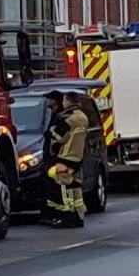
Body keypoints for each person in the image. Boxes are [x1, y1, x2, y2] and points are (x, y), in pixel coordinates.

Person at [43, 93, 89, 228]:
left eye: (64, 101)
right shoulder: (83, 117)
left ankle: (68, 216)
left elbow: (58, 136)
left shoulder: (69, 119)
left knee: (63, 184)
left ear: (69, 102)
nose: (63, 103)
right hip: (77, 156)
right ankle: (79, 215)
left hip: (65, 156)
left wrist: (51, 132)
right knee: (75, 185)